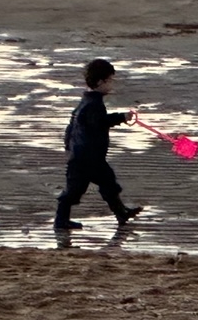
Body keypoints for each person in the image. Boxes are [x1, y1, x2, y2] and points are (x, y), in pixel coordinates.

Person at [53, 58, 143, 230]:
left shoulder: (86, 101)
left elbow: (71, 127)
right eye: (110, 81)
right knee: (74, 190)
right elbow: (100, 122)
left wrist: (68, 147)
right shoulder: (94, 104)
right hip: (86, 157)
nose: (112, 85)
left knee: (107, 182)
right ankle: (60, 220)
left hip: (86, 156)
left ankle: (121, 213)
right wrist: (121, 117)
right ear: (101, 81)